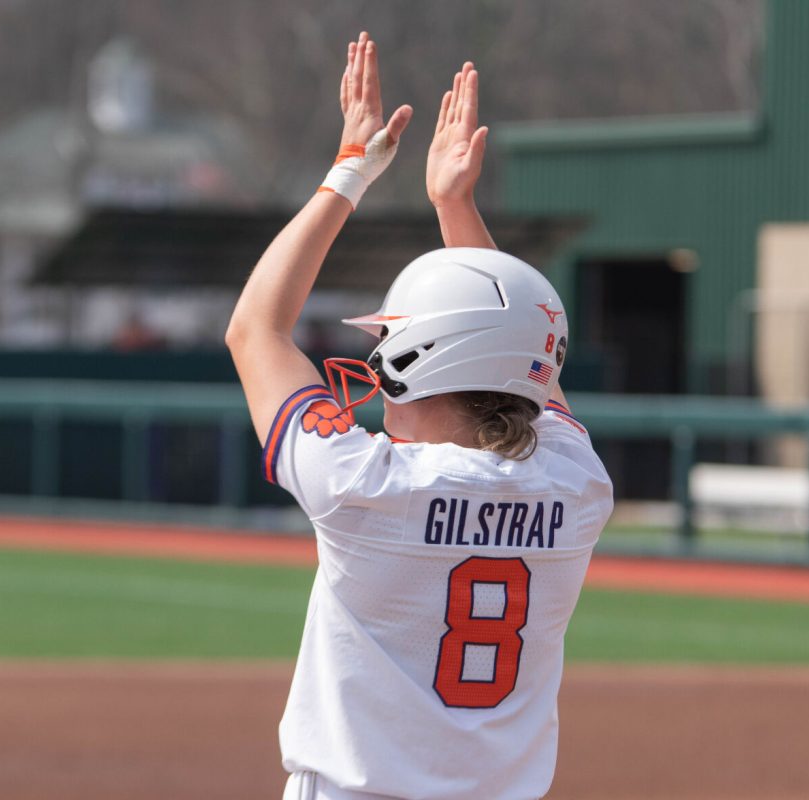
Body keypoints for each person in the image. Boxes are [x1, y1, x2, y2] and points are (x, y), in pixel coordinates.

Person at [225, 32, 613, 800]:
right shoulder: (575, 488)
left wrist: (352, 168)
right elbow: (527, 351)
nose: (381, 369)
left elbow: (255, 328)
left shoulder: (363, 483)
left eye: (394, 345)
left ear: (427, 361)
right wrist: (455, 206)